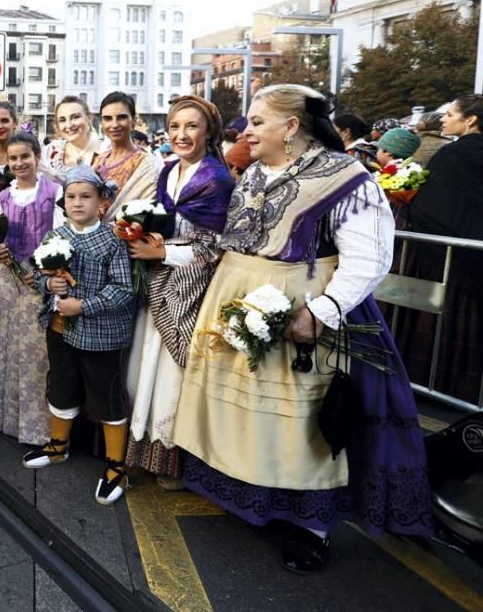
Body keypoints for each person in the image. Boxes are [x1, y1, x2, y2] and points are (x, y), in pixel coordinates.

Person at [172, 84, 433, 573]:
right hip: (239, 300)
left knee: (304, 424)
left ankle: (312, 526)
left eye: (257, 121)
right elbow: (230, 241)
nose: (246, 130)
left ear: (291, 126)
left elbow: (371, 256)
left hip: (301, 307)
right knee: (253, 416)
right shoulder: (251, 173)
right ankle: (257, 498)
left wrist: (323, 311)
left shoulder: (346, 178)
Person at [123, 97, 235, 487]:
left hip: (191, 289)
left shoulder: (216, 180)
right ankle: (144, 452)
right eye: (174, 127)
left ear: (208, 132)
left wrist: (161, 250)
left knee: (174, 376)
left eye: (191, 126)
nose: (181, 134)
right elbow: (161, 219)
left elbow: (215, 247)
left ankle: (175, 463)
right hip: (158, 281)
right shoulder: (168, 171)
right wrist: (144, 237)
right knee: (144, 370)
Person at [24, 165, 135, 505]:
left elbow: (123, 289)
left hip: (100, 334)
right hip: (60, 330)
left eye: (86, 197)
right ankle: (59, 446)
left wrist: (83, 305)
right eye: (71, 197)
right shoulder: (55, 237)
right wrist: (48, 283)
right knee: (61, 385)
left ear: (102, 201)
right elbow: (37, 273)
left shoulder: (113, 240)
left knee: (106, 394)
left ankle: (117, 465)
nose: (77, 203)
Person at [0, 132, 63, 446]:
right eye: (14, 158)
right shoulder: (3, 197)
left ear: (37, 156)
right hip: (5, 279)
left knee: (36, 351)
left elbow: (63, 238)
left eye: (25, 156)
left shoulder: (54, 191)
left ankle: (37, 426)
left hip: (37, 279)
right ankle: (5, 418)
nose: (20, 163)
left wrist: (43, 268)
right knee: (5, 345)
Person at [398, 94, 483, 405]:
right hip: (474, 255)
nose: (443, 119)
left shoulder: (454, 155)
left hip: (446, 261)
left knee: (445, 327)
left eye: (450, 114)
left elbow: (431, 206)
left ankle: (437, 384)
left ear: (470, 119)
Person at [92, 92, 162, 223]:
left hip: (127, 237)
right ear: (101, 123)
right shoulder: (98, 160)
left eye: (121, 117)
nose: (114, 124)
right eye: (107, 118)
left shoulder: (147, 164)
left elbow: (144, 211)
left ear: (134, 121)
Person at [42, 96, 104, 183]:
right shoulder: (49, 152)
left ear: (89, 118)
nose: (69, 125)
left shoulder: (105, 149)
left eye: (75, 117)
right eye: (62, 120)